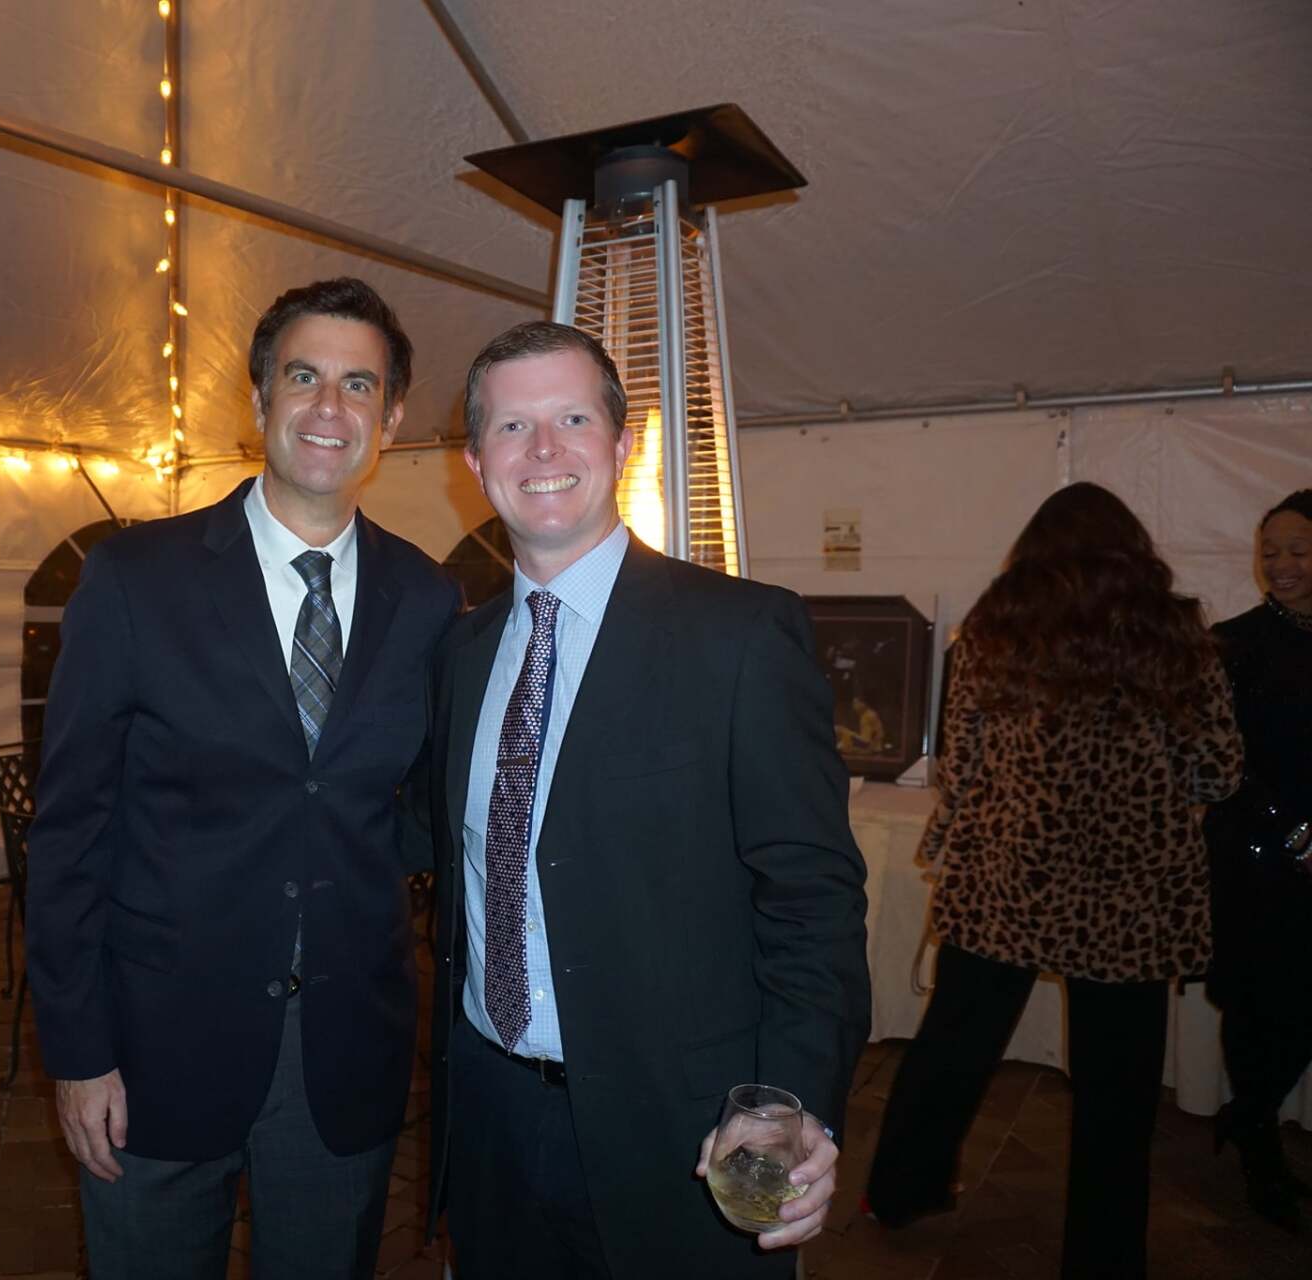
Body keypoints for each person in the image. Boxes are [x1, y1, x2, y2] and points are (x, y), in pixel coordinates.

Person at [22, 277, 460, 1280]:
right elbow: (72, 827)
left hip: (345, 1052)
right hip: (155, 1044)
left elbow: (436, 810)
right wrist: (78, 1049)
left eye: (359, 384)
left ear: (390, 417)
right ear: (259, 398)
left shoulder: (427, 598)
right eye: (303, 376)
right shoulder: (137, 577)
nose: (328, 407)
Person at [424, 320, 871, 1278]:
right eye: (511, 428)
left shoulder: (740, 636)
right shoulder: (462, 654)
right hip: (493, 1121)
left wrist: (788, 1103)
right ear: (473, 461)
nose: (543, 450)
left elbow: (813, 901)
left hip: (687, 1130)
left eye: (573, 418)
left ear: (622, 445)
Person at [864, 481, 1243, 1277]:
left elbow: (961, 772)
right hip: (1128, 900)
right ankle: (1103, 1260)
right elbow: (1216, 771)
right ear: (1132, 553)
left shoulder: (991, 635)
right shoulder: (1177, 641)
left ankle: (901, 1191)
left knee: (951, 1051)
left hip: (1007, 883)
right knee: (1118, 1096)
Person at [1205, 488, 1312, 1232]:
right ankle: (1259, 1149)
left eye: (1299, 548)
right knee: (1259, 1006)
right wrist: (1295, 835)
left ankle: (1248, 1117)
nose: (1280, 563)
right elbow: (1219, 763)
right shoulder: (1230, 642)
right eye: (1269, 549)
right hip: (1256, 858)